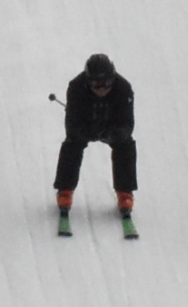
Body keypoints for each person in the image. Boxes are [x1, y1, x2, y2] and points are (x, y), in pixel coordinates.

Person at [54, 53, 136, 213]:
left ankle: (125, 193)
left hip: (112, 126)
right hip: (86, 125)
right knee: (71, 144)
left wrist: (114, 133)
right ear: (87, 81)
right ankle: (65, 190)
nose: (102, 89)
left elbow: (127, 123)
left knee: (126, 145)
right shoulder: (76, 87)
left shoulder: (123, 88)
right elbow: (72, 123)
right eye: (96, 84)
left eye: (107, 83)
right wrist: (85, 132)